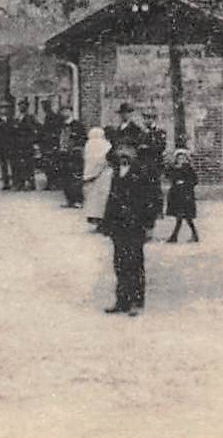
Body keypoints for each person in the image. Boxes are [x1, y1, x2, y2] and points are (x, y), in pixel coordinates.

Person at [102, 144, 160, 316]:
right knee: (119, 263)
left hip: (136, 225)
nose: (123, 154)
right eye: (120, 151)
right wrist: (107, 224)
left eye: (127, 150)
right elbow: (112, 199)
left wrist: (149, 225)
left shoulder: (143, 171)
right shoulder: (115, 171)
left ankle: (137, 301)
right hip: (118, 226)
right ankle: (122, 300)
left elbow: (152, 199)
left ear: (134, 153)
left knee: (134, 263)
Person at [164, 147, 199, 243]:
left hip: (186, 194)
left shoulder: (189, 168)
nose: (181, 160)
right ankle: (194, 235)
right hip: (176, 194)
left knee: (182, 216)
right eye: (179, 158)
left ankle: (174, 237)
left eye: (183, 158)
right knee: (184, 217)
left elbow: (194, 181)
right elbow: (168, 176)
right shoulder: (174, 168)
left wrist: (184, 183)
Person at [81, 126, 113, 226]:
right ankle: (101, 218)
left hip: (93, 175)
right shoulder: (106, 144)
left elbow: (89, 160)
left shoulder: (89, 144)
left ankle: (93, 216)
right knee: (102, 197)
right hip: (105, 173)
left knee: (92, 197)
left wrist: (89, 174)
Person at [11, 103, 40, 191]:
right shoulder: (16, 118)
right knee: (18, 165)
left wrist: (33, 142)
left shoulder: (30, 117)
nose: (21, 108)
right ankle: (20, 183)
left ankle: (31, 183)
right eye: (20, 106)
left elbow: (34, 129)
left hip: (27, 144)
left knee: (28, 165)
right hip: (18, 145)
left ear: (26, 108)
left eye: (23, 106)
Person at [61, 118, 87, 208]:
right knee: (66, 176)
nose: (64, 113)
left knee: (76, 177)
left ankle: (78, 200)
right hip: (65, 153)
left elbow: (83, 139)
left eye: (66, 110)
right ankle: (69, 199)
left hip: (75, 153)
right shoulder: (63, 125)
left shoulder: (77, 125)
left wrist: (76, 148)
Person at [40, 103, 67, 190]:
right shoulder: (49, 117)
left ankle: (53, 183)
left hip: (52, 144)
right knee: (49, 164)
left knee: (52, 164)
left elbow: (57, 130)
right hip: (48, 144)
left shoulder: (53, 117)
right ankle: (51, 183)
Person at [0, 101, 17, 190]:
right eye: (2, 108)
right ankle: (6, 183)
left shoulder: (12, 120)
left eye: (6, 108)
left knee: (13, 164)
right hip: (1, 146)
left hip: (11, 145)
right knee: (3, 165)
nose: (4, 110)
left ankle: (15, 182)